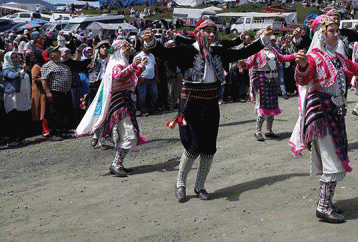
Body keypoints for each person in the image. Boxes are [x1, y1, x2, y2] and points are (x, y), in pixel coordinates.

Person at [142, 20, 267, 201]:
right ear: (198, 32)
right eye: (208, 31)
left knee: (209, 148)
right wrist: (151, 42)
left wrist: (263, 39)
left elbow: (242, 52)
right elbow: (165, 53)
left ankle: (200, 186)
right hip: (191, 103)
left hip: (210, 102)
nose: (211, 34)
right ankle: (180, 183)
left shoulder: (217, 51)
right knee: (193, 146)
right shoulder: (186, 50)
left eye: (214, 31)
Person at [291, 15, 358, 223]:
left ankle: (326, 203)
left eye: (337, 31)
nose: (336, 35)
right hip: (321, 114)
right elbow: (303, 79)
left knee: (333, 159)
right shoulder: (314, 57)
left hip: (334, 113)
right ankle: (322, 207)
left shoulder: (336, 57)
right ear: (321, 34)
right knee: (332, 161)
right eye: (332, 31)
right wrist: (303, 66)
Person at [75, 39, 148, 176]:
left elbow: (130, 78)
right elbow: (118, 76)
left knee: (124, 134)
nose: (128, 50)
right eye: (126, 48)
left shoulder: (120, 63)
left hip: (124, 101)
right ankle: (116, 164)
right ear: (120, 50)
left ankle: (118, 163)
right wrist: (133, 66)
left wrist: (140, 67)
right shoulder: (116, 65)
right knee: (129, 134)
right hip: (120, 104)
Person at [239, 35, 295, 140]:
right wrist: (243, 64)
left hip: (273, 79)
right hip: (261, 79)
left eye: (268, 38)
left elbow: (282, 58)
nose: (268, 40)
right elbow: (249, 63)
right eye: (265, 38)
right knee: (262, 105)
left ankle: (269, 130)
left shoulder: (273, 49)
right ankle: (258, 131)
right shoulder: (256, 50)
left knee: (272, 105)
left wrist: (295, 55)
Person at [3, 52, 32, 147]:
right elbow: (13, 76)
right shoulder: (6, 69)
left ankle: (21, 138)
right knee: (13, 119)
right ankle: (11, 140)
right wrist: (23, 71)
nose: (15, 59)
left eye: (16, 57)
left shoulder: (20, 67)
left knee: (22, 118)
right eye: (13, 58)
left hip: (23, 96)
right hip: (13, 97)